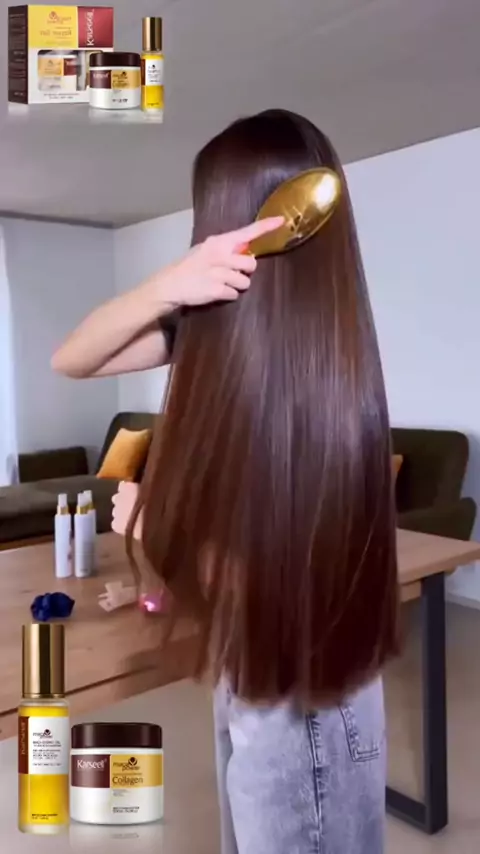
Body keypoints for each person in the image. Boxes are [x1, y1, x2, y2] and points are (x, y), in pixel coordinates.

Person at [53, 109, 399, 854]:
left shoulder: (315, 378)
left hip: (306, 706)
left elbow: (275, 581)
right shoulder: (208, 329)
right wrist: (166, 286)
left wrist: (151, 525)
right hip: (254, 673)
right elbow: (71, 358)